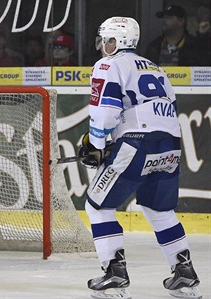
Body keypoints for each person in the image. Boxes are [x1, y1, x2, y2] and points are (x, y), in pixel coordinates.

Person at [81, 16, 201, 299]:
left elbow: (106, 109)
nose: (102, 46)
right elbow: (168, 108)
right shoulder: (157, 68)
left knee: (97, 206)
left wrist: (97, 144)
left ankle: (114, 274)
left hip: (136, 144)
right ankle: (184, 274)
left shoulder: (108, 64)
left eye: (107, 40)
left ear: (117, 42)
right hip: (170, 144)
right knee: (159, 211)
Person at [145, 5, 209, 66]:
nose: (163, 20)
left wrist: (203, 36)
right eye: (163, 17)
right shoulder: (153, 47)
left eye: (168, 17)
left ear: (181, 21)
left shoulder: (195, 46)